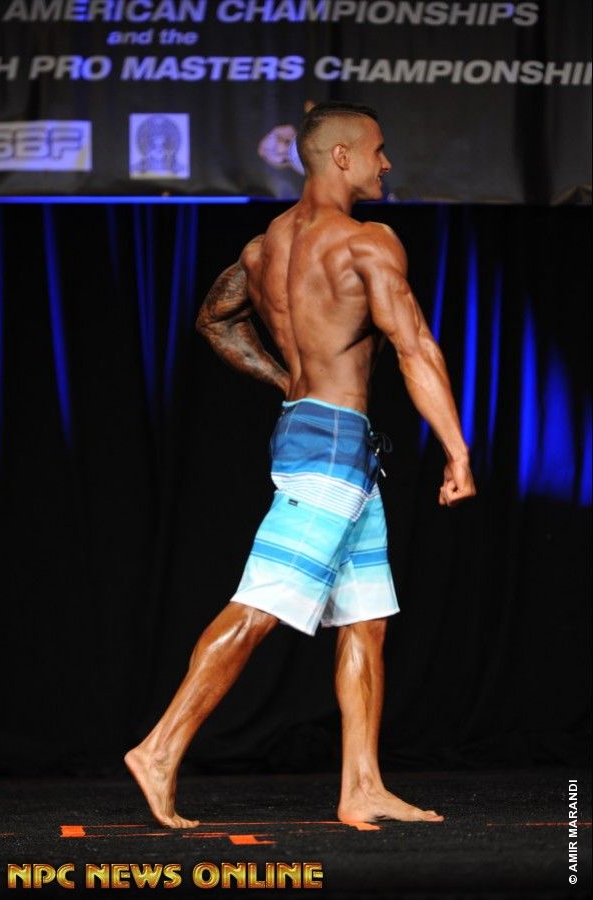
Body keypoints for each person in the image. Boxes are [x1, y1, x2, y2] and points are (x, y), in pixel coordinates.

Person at [125, 101, 476, 829]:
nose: (386, 163)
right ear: (341, 156)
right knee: (260, 605)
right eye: (378, 150)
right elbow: (414, 346)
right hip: (333, 449)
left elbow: (215, 319)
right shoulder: (367, 243)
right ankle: (159, 748)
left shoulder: (265, 249)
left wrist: (287, 378)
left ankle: (362, 784)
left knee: (366, 619)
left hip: (317, 436)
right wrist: (457, 449)